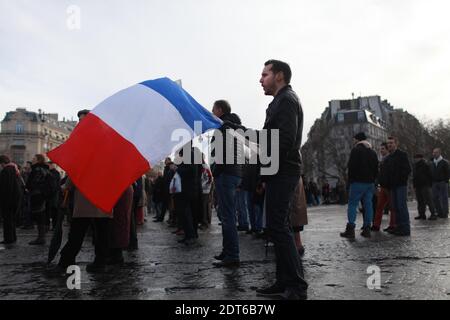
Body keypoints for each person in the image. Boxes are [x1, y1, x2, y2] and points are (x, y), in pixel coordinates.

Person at [254, 59, 308, 300]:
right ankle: (283, 280)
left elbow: (283, 141)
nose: (260, 79)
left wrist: (266, 169)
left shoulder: (286, 100)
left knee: (278, 226)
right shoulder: (280, 101)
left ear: (279, 76)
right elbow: (272, 139)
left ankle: (296, 285)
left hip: (283, 170)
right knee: (278, 227)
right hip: (279, 170)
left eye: (265, 74)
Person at [211, 100, 244, 268]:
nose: (211, 112)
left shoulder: (224, 127)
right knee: (227, 214)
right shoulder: (234, 125)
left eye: (213, 109)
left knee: (228, 215)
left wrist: (215, 171)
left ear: (219, 110)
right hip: (234, 172)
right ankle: (227, 250)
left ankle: (232, 254)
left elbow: (222, 154)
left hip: (225, 173)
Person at [340, 132, 378, 239]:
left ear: (357, 140)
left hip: (357, 182)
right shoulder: (372, 152)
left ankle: (350, 229)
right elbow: (376, 168)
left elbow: (351, 167)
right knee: (368, 205)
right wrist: (373, 179)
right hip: (369, 183)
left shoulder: (356, 150)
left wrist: (350, 180)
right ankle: (367, 229)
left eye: (354, 140)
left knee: (352, 204)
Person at [385, 136, 412, 236]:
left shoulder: (402, 154)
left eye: (391, 143)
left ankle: (405, 229)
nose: (389, 145)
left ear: (396, 144)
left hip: (400, 185)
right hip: (392, 186)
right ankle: (399, 227)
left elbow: (407, 169)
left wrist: (400, 179)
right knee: (395, 207)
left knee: (402, 206)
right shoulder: (389, 157)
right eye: (388, 143)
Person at [26, 154, 52, 245]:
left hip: (37, 195)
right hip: (42, 195)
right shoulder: (45, 169)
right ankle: (41, 237)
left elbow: (35, 182)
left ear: (38, 160)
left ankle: (41, 238)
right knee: (41, 215)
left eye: (34, 158)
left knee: (39, 216)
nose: (32, 159)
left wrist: (29, 187)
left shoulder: (37, 170)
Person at [372, 142, 396, 232]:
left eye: (383, 149)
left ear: (387, 150)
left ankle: (393, 225)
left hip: (389, 186)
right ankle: (376, 225)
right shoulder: (382, 160)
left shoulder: (390, 159)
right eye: (380, 149)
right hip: (382, 186)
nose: (381, 151)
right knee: (379, 206)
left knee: (392, 207)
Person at [0, 155, 23, 245]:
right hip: (15, 199)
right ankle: (12, 237)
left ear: (2, 163)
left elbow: (5, 187)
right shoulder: (14, 169)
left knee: (7, 220)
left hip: (8, 200)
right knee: (11, 219)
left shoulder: (6, 171)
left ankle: (8, 238)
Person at [413, 154, 437, 220]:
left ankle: (433, 214)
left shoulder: (425, 164)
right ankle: (421, 214)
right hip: (418, 186)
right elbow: (414, 176)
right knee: (420, 201)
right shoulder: (415, 165)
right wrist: (414, 185)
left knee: (429, 200)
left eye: (416, 158)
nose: (415, 159)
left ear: (420, 158)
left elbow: (430, 175)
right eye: (415, 158)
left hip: (425, 185)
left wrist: (429, 184)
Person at [431, 148, 449, 218]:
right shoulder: (432, 163)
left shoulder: (444, 162)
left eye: (435, 152)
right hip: (434, 183)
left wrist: (446, 181)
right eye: (433, 152)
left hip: (442, 182)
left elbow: (448, 173)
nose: (434, 154)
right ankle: (439, 212)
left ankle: (445, 213)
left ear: (439, 153)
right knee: (434, 198)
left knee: (444, 198)